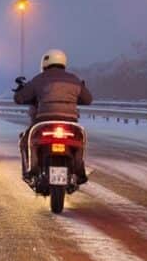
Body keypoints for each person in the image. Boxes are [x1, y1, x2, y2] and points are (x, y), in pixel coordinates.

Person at [13, 49, 93, 181]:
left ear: (45, 63)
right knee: (79, 141)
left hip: (44, 120)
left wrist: (20, 89)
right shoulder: (74, 80)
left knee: (25, 140)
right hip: (70, 121)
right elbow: (88, 99)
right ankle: (79, 169)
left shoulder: (38, 80)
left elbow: (19, 98)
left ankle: (31, 170)